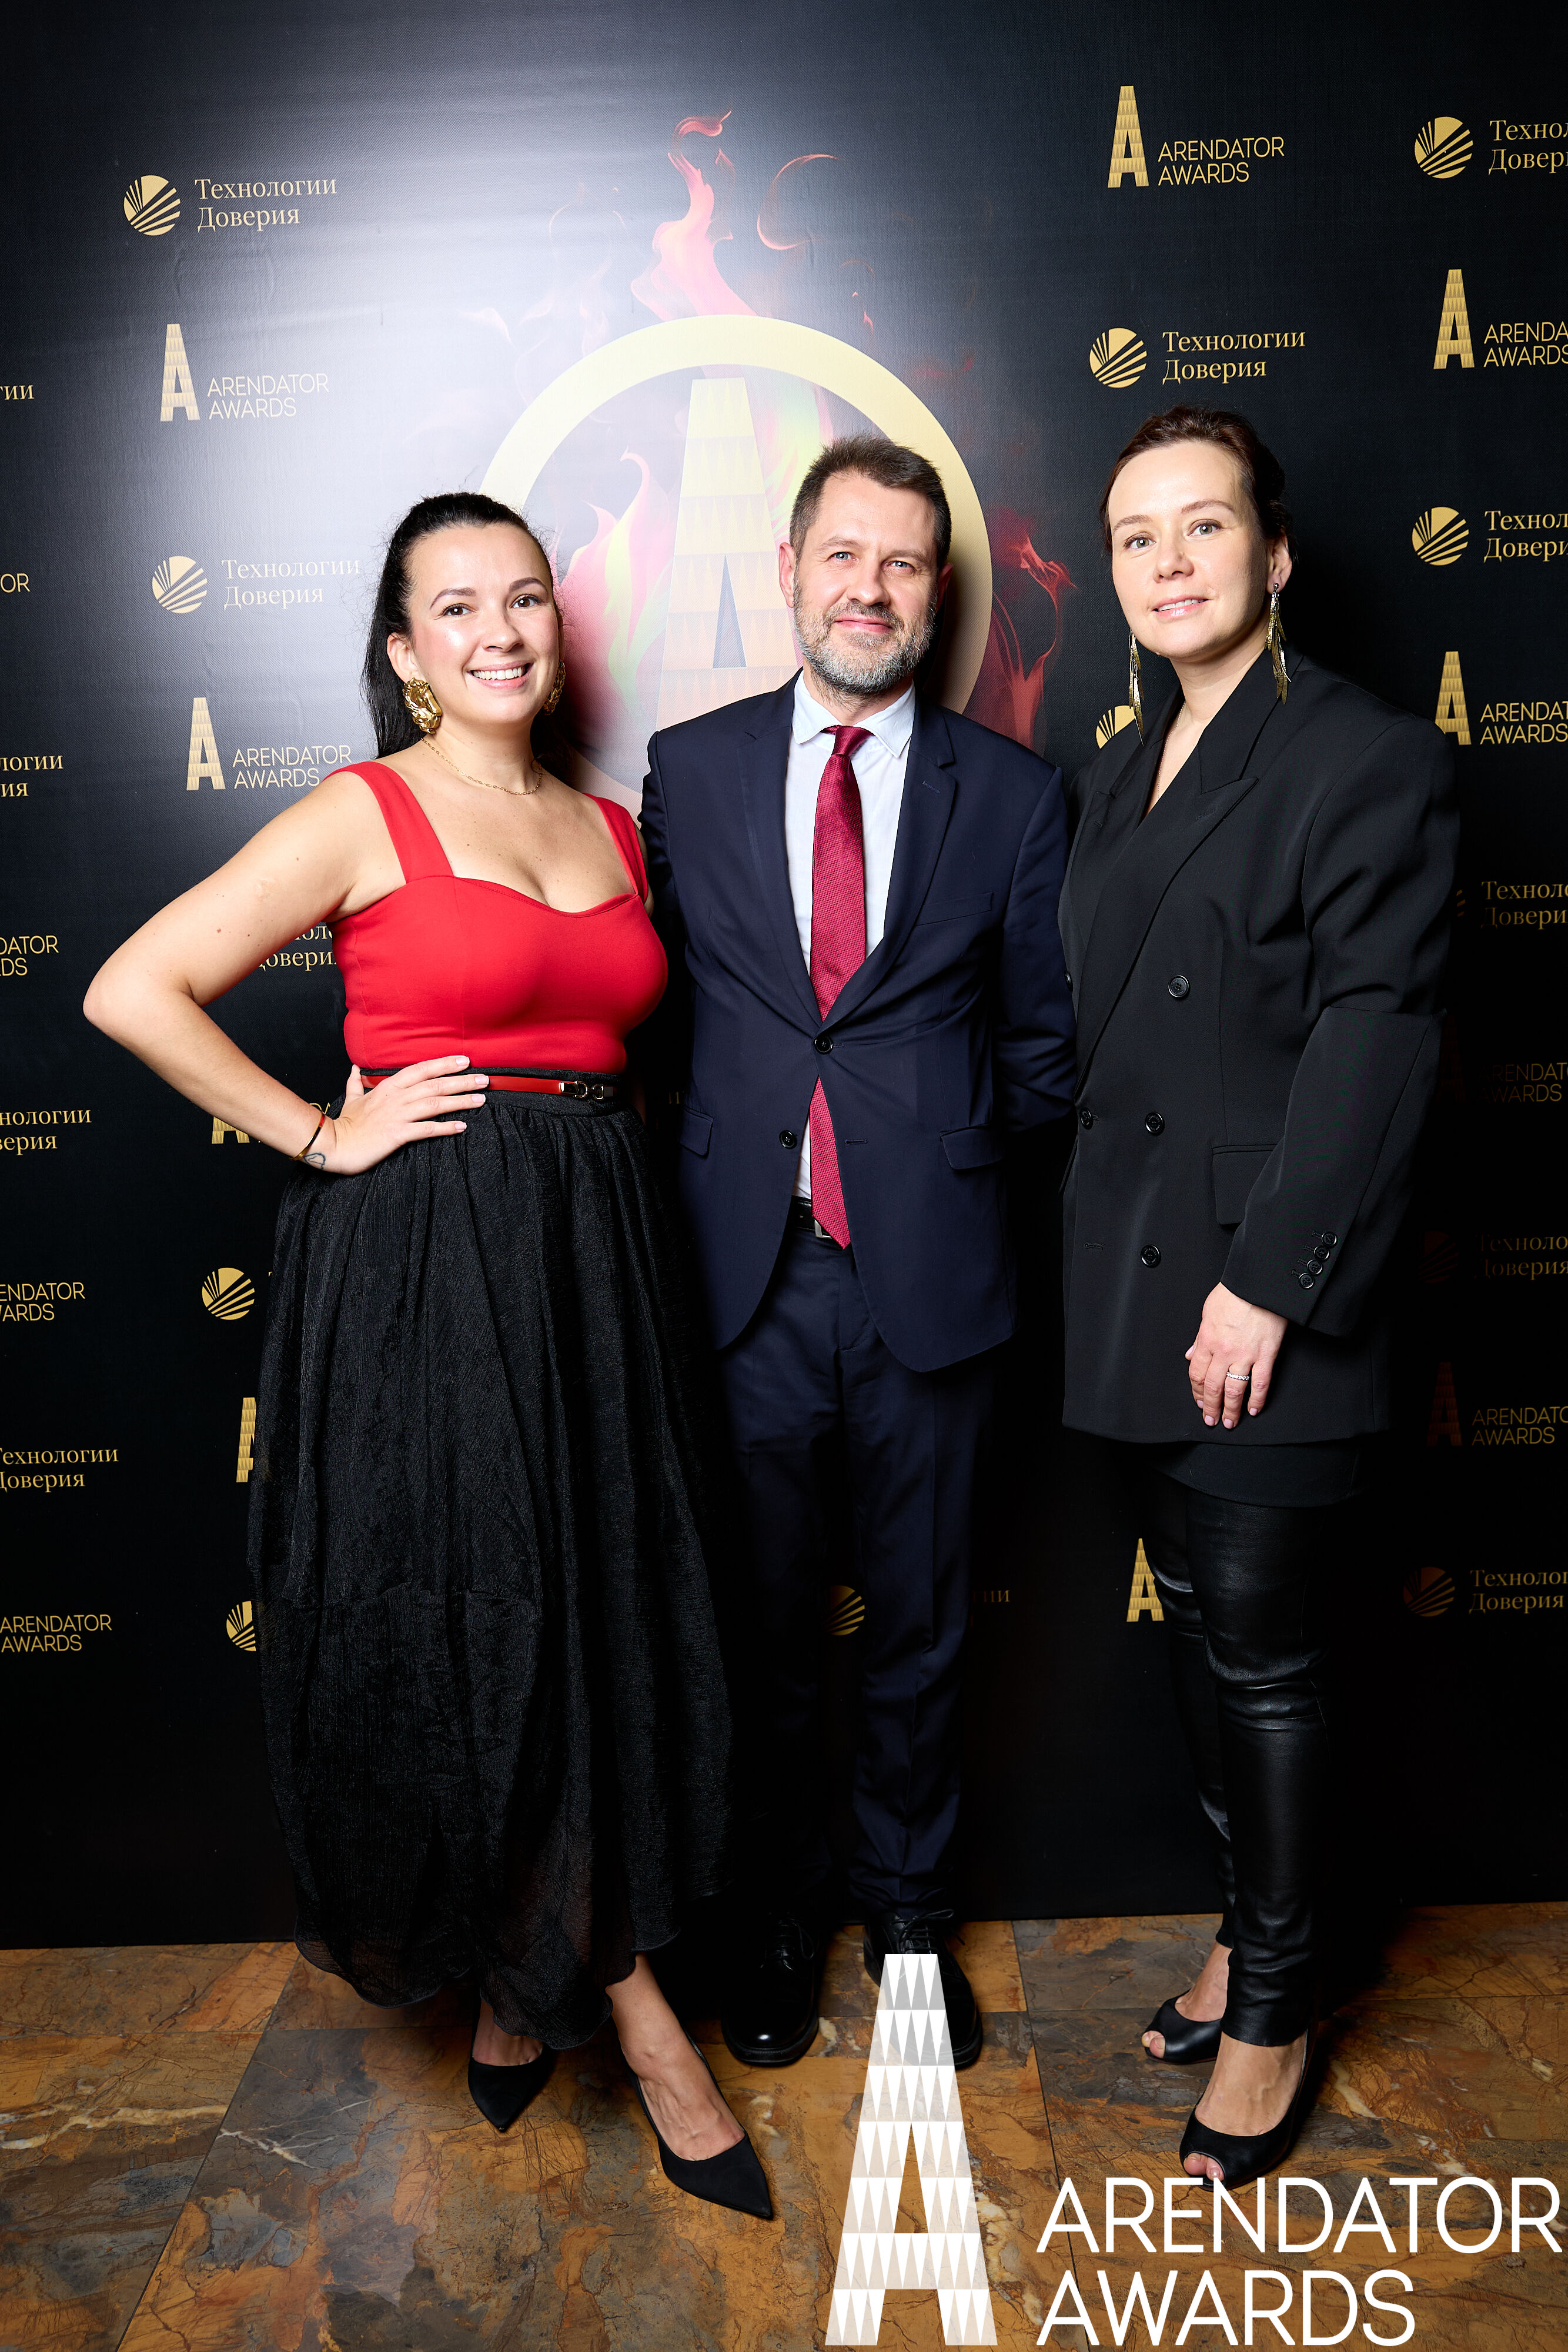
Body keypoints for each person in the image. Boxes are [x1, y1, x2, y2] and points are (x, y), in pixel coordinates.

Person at [83, 491, 770, 2221]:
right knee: (485, 1616)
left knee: (598, 1614)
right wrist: (322, 1134)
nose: (499, 632)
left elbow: (625, 1050)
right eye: (455, 607)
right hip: (427, 1259)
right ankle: (647, 2027)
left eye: (524, 598)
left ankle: (522, 1992)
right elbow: (134, 988)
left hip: (595, 1257)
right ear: (404, 652)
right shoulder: (363, 812)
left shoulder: (611, 828)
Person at [639, 436, 1075, 2070]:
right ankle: (775, 1914)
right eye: (844, 555)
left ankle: (905, 1925)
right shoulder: (688, 772)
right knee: (756, 1634)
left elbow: (1044, 1047)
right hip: (739, 1277)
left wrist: (926, 1161)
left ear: (936, 592)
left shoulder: (1013, 795)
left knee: (922, 1630)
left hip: (930, 1280)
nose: (869, 589)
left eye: (901, 563)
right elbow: (656, 1018)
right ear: (789, 570)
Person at [1059, 407, 1457, 2186]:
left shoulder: (1363, 754)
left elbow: (1377, 1038)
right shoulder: (1118, 770)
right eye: (1136, 535)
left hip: (1256, 1297)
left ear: (1274, 555)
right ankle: (1248, 1930)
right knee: (1210, 1652)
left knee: (1275, 1665)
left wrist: (1270, 1286)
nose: (1169, 561)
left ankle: (1280, 2005)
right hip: (1132, 1282)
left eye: (1203, 525)